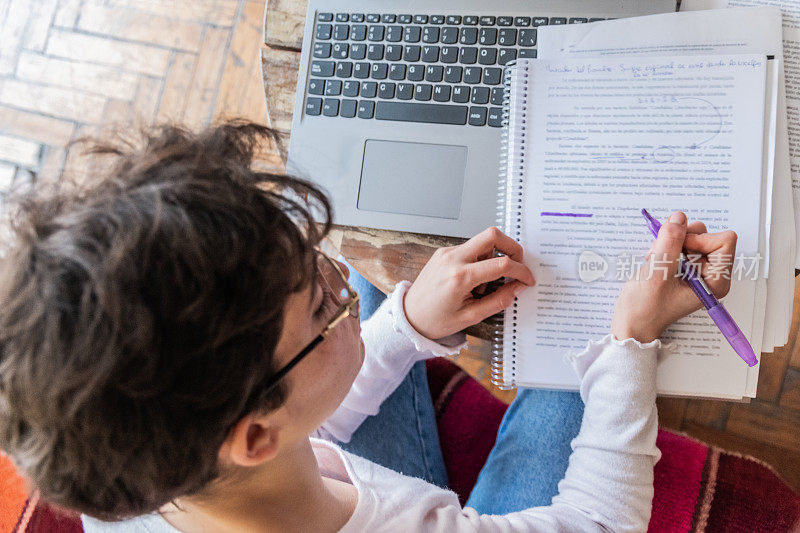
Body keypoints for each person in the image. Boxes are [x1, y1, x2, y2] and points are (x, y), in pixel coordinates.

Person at [0, 122, 738, 532]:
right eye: (322, 307)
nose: (338, 280)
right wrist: (633, 341)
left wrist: (410, 325)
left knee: (389, 291)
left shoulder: (160, 475)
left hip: (311, 472)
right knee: (588, 355)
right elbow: (597, 524)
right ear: (255, 434)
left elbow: (306, 430)